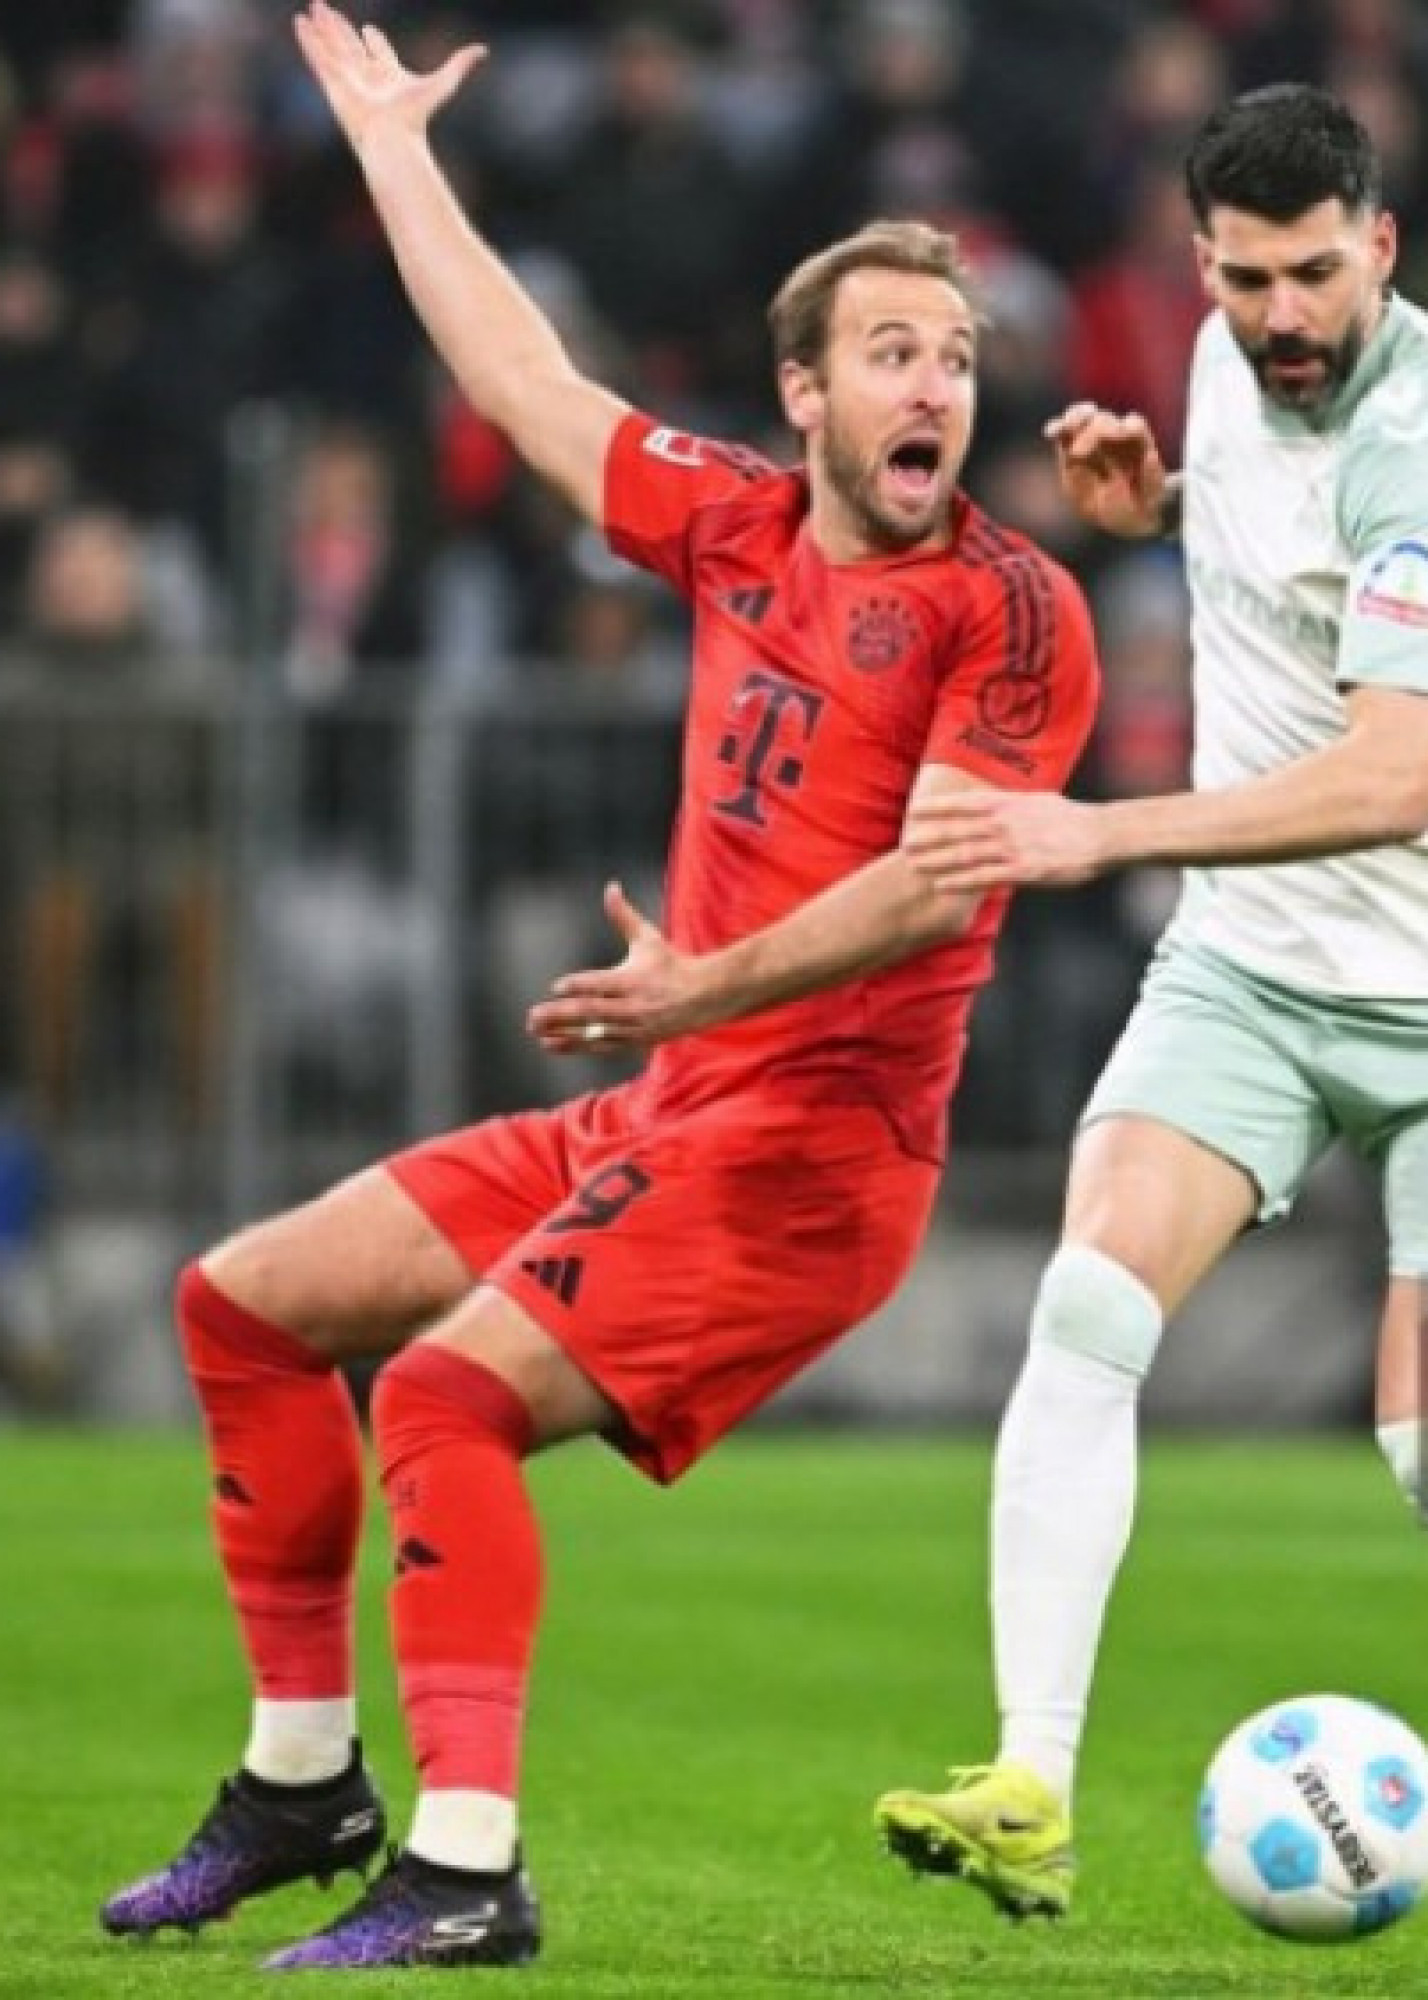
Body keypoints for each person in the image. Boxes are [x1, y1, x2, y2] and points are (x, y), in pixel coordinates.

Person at [98, 2, 1097, 1973]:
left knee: (446, 1397)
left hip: (810, 1153)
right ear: (800, 391)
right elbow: (521, 373)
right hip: (671, 1100)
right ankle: (305, 1782)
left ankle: (466, 1867)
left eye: (959, 357)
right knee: (246, 1303)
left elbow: (935, 885)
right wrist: (393, 149)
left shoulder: (1010, 610)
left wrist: (698, 986)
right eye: (894, 351)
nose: (939, 386)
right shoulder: (731, 522)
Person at [876, 84, 1428, 1981]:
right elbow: (1294, 531)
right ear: (1198, 265)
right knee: (1087, 1304)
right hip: (1256, 974)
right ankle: (1032, 1789)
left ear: (1381, 247)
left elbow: (1393, 773)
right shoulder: (1227, 366)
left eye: (1314, 273)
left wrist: (1097, 827)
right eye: (1244, 280)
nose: (1281, 313)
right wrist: (1168, 505)